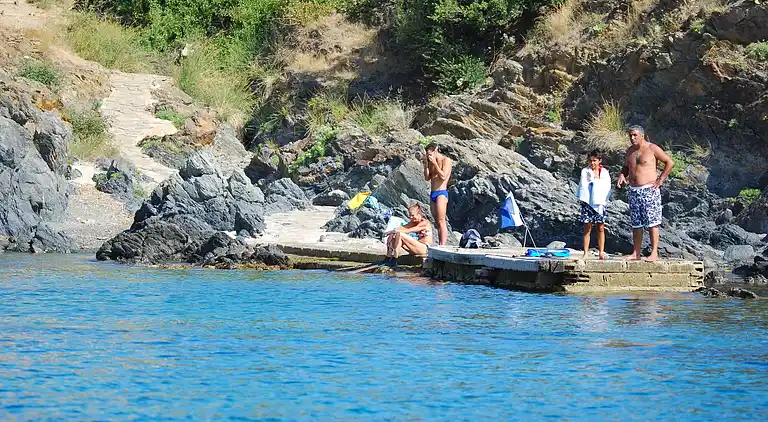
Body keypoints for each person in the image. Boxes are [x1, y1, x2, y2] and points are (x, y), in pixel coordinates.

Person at [617, 125, 675, 261]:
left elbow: (669, 162)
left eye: (635, 135)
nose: (632, 138)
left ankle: (654, 253)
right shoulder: (630, 151)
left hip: (649, 190)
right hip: (633, 191)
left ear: (642, 135)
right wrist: (621, 175)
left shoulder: (652, 148)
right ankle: (636, 253)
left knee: (652, 222)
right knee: (636, 223)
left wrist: (660, 179)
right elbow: (626, 166)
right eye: (630, 135)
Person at [577, 149, 611, 260]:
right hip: (588, 203)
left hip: (600, 203)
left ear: (599, 160)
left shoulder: (604, 172)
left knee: (600, 227)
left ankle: (601, 252)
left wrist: (596, 182)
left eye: (594, 161)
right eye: (590, 161)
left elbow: (606, 186)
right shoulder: (585, 171)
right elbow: (584, 185)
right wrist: (596, 181)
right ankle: (586, 252)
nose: (592, 163)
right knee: (587, 227)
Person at [423, 142, 452, 246]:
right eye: (427, 155)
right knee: (436, 221)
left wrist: (435, 163)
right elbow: (427, 178)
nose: (429, 156)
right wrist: (426, 165)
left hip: (441, 193)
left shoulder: (446, 160)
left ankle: (442, 245)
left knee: (441, 220)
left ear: (436, 151)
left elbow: (443, 176)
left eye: (430, 154)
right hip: (433, 193)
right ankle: (440, 244)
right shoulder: (431, 163)